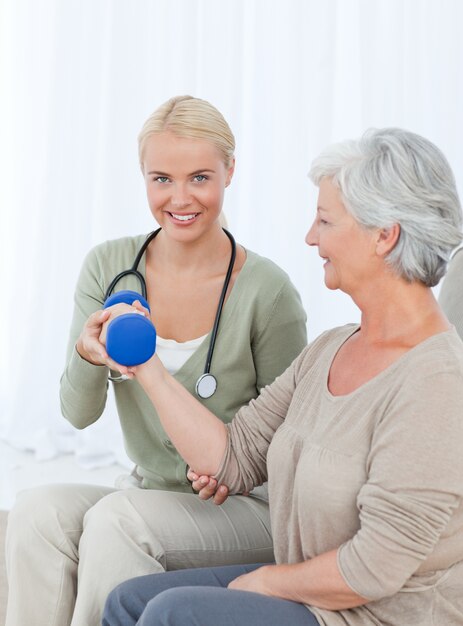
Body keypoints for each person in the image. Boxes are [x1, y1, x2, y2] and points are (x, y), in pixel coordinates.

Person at [103, 127, 463, 626]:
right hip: (311, 588)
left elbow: (375, 567)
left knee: (176, 614)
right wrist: (145, 365)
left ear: (383, 235)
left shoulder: (438, 383)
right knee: (127, 601)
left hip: (384, 615)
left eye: (325, 220)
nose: (310, 237)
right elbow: (232, 458)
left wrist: (264, 582)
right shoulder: (331, 348)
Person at [5, 95, 307, 626]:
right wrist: (86, 351)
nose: (180, 197)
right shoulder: (110, 266)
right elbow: (77, 415)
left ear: (230, 171)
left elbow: (297, 440)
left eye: (200, 177)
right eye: (161, 179)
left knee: (118, 522)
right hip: (151, 493)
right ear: (143, 177)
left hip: (246, 509)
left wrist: (234, 469)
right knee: (36, 512)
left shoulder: (267, 291)